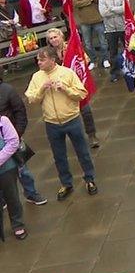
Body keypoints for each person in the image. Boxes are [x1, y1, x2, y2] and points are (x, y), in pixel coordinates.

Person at [25, 47, 97, 201]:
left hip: (72, 119)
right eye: (38, 60)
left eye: (42, 60)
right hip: (51, 123)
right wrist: (42, 90)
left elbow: (82, 93)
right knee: (59, 156)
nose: (39, 62)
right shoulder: (36, 77)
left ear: (52, 59)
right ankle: (66, 183)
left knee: (82, 152)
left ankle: (90, 179)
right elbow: (31, 99)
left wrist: (65, 89)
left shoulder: (67, 73)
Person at [44, 28, 101, 149]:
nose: (54, 40)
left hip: (75, 83)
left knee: (85, 111)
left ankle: (92, 135)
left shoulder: (72, 47)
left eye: (55, 37)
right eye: (51, 38)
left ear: (61, 37)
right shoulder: (49, 53)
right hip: (60, 87)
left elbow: (85, 59)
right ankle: (73, 137)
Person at [0, 69, 45, 205]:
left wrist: (17, 134)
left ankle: (31, 193)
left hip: (10, 139)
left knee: (22, 169)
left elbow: (20, 112)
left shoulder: (7, 90)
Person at [72, 0, 108, 68]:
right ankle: (93, 60)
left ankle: (105, 59)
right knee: (87, 44)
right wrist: (89, 1)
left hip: (97, 18)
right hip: (85, 21)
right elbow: (75, 3)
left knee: (103, 42)